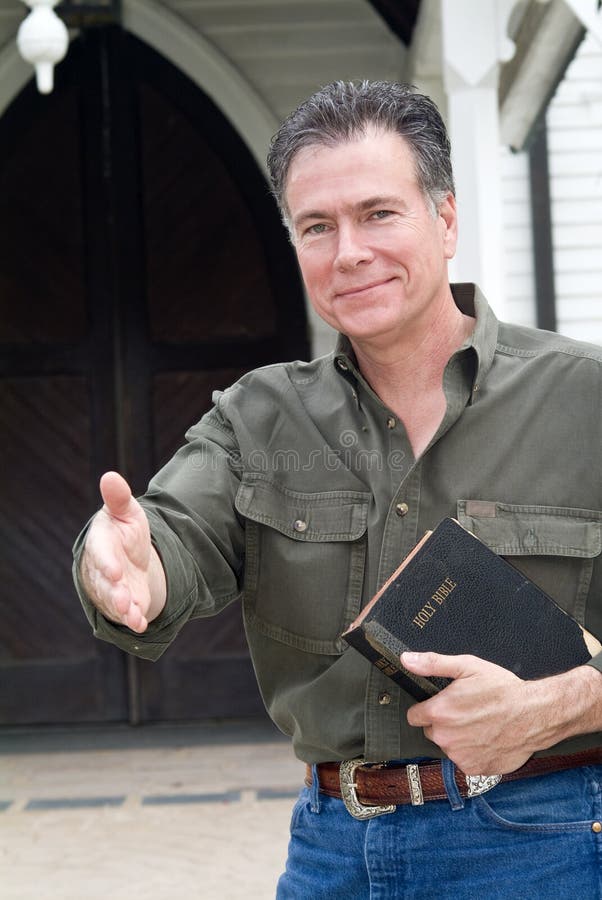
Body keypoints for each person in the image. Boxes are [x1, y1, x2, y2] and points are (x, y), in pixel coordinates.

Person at [73, 81, 602, 898]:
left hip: (543, 843)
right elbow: (165, 539)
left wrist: (557, 705)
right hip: (331, 853)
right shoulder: (258, 416)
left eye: (378, 213)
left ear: (447, 218)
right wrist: (120, 568)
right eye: (317, 227)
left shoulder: (584, 401)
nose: (347, 250)